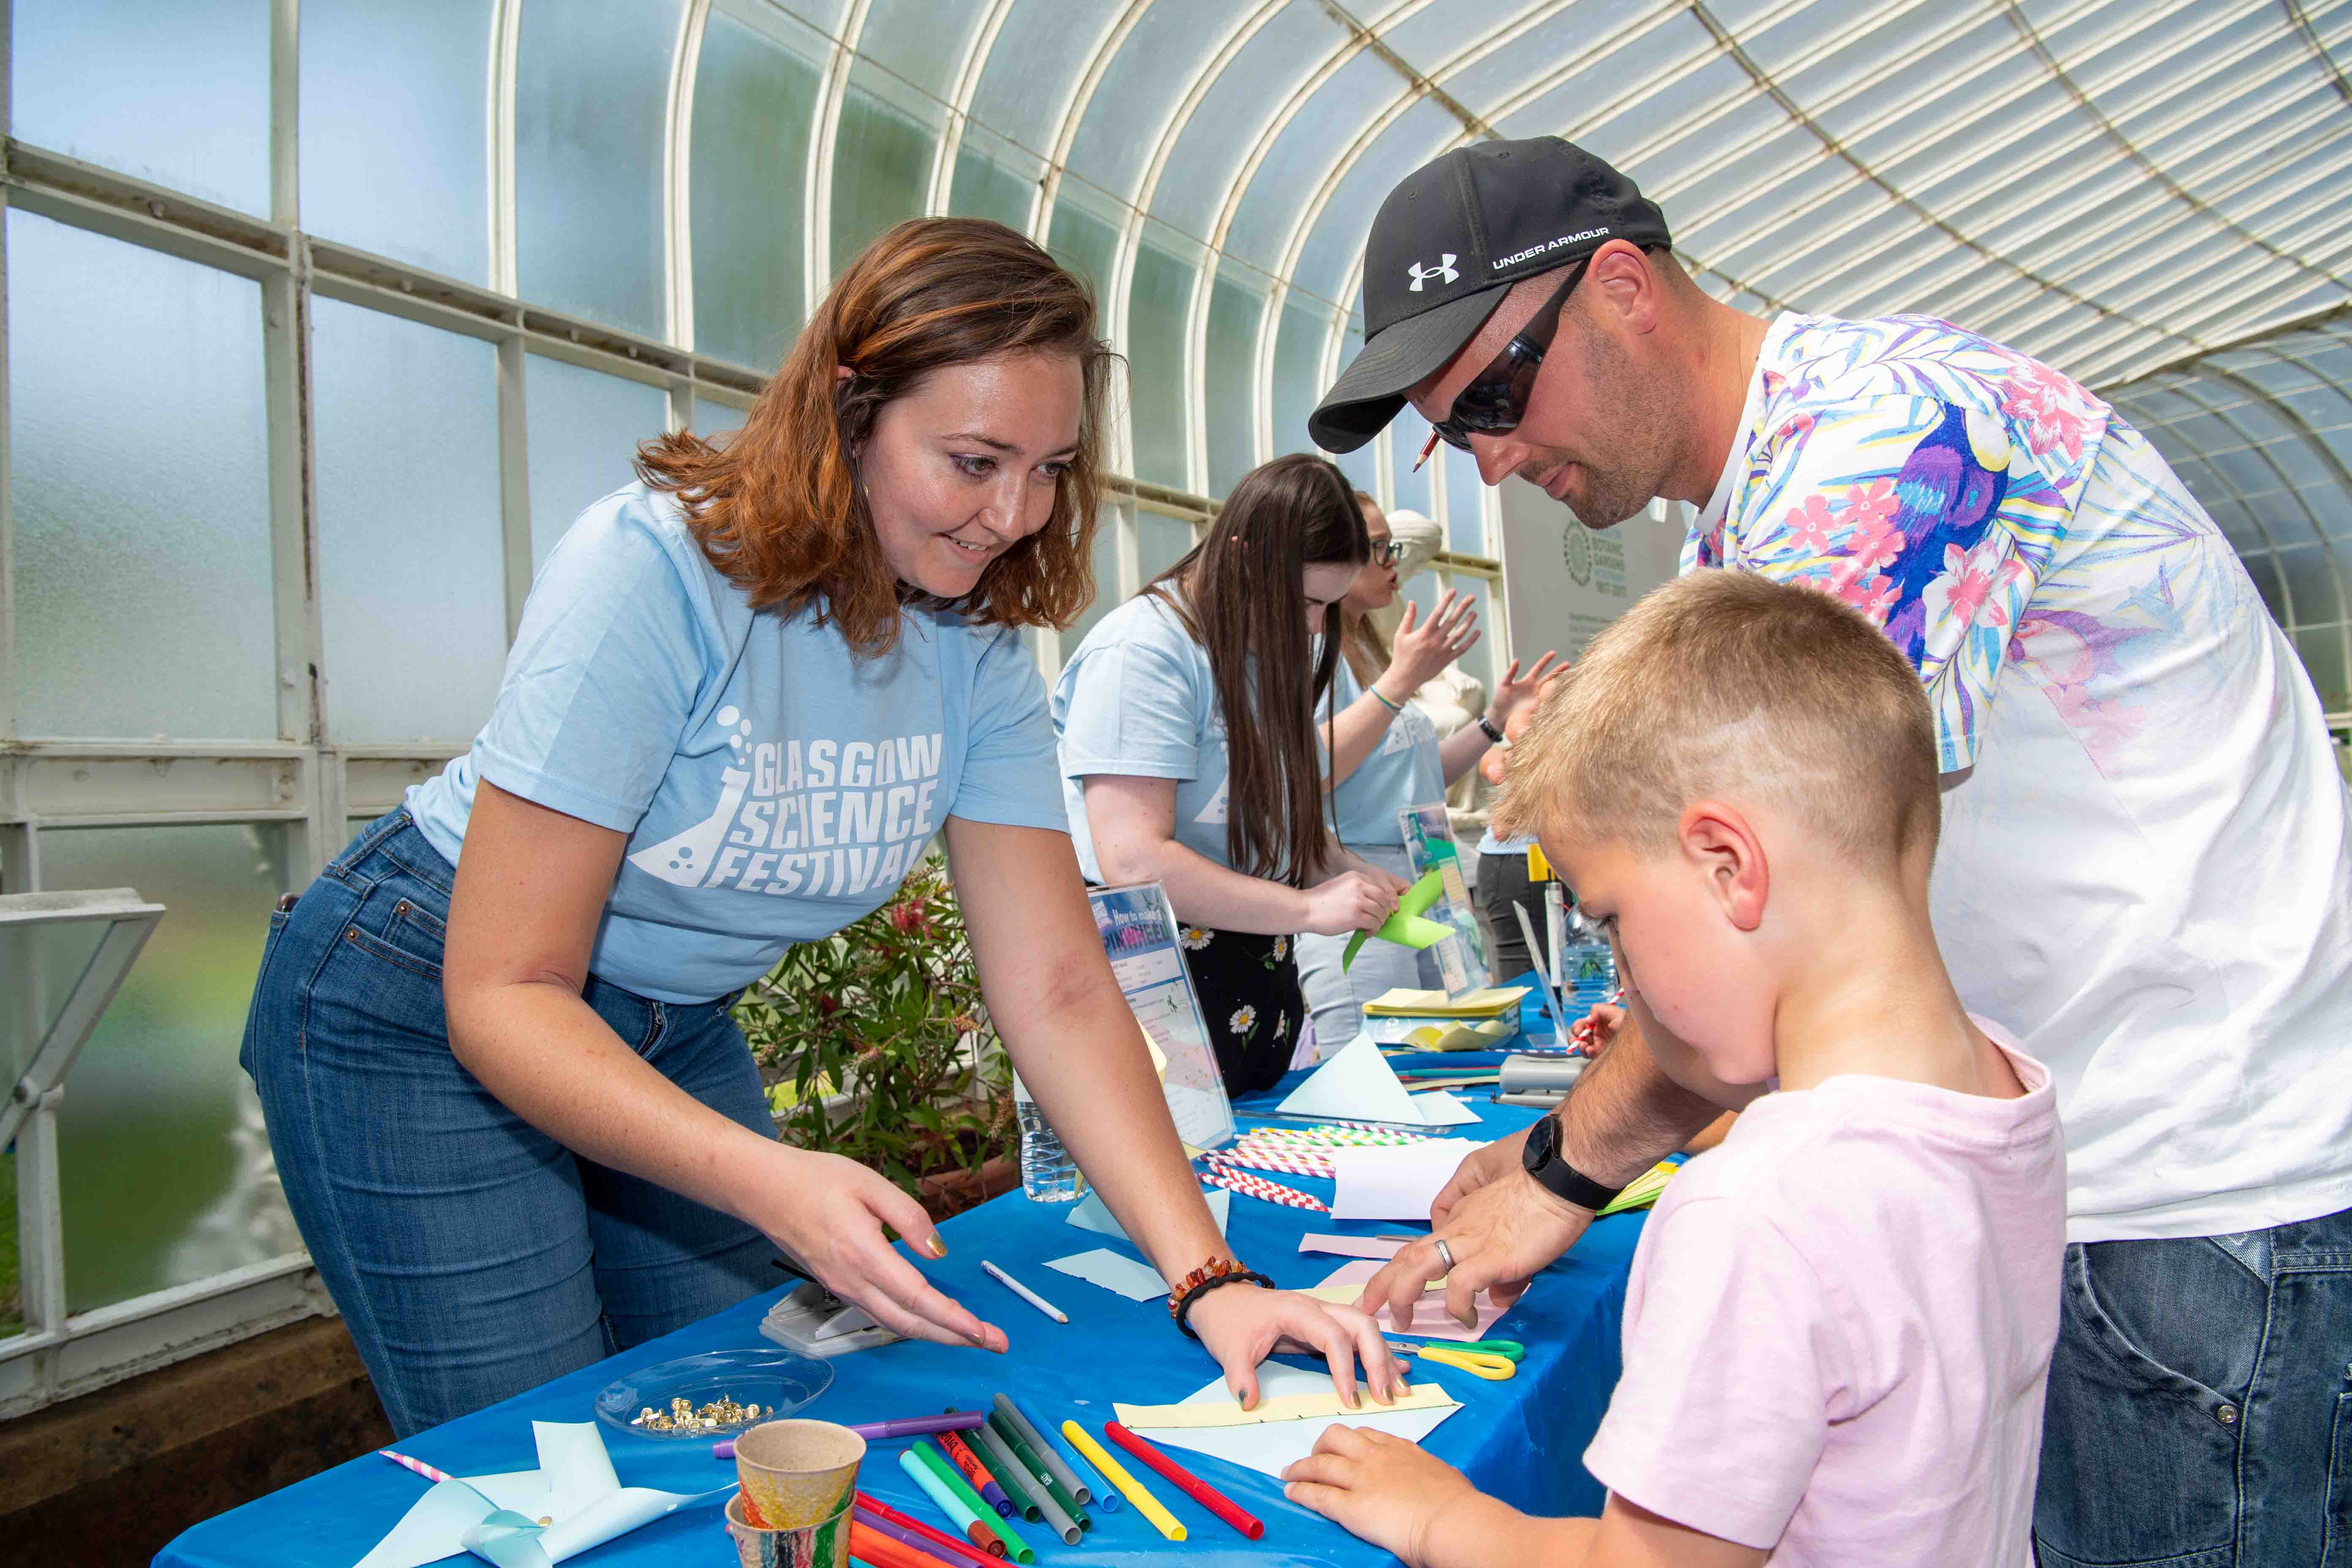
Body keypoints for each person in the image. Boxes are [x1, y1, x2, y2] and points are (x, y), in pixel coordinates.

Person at [1309, 136, 2352, 1563]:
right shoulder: (1769, 499)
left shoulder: (1883, 452)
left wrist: (1560, 1173)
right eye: (1450, 430)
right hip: (2101, 1161)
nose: (1488, 453)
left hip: (2186, 1189)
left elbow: (1754, 901)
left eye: (1491, 392)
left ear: (1620, 288)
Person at [240, 219, 1397, 1437]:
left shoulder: (979, 644)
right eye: (973, 460)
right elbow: (506, 987)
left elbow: (1058, 983)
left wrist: (1210, 1279)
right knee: (547, 1450)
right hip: (418, 997)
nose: (1014, 513)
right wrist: (768, 1179)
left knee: (743, 1414)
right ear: (851, 409)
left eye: (1051, 468)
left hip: (663, 1021)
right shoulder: (656, 569)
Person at [1285, 571, 2065, 1566]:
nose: (1624, 974)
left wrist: (1442, 1516)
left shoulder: (1757, 1211)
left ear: (1728, 865)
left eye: (1609, 919)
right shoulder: (2005, 1089)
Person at [1052, 453, 1411, 1094]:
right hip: (1150, 971)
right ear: (1245, 557)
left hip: (1251, 970)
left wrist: (1342, 868)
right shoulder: (1144, 652)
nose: (1312, 626)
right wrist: (1305, 906)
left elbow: (1262, 812)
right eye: (1303, 600)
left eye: (1326, 606)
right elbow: (1133, 861)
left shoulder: (1267, 649)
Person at [1296, 488, 1556, 1050]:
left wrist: (1492, 721)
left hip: (1429, 868)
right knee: (1376, 1056)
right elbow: (1306, 773)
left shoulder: (1367, 649)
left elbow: (1411, 776)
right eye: (1379, 548)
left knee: (1456, 1051)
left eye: (1392, 548)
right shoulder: (1313, 655)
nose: (1394, 564)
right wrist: (1401, 683)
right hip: (1364, 882)